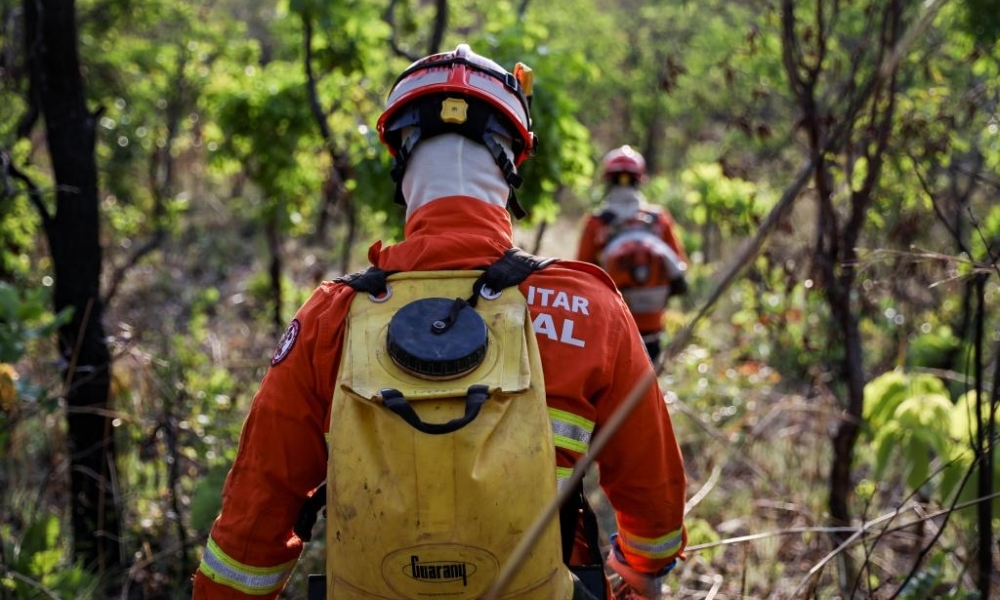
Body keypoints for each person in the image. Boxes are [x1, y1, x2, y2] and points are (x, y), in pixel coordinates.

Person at [191, 45, 687, 600]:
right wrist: (639, 572)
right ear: (513, 163)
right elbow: (655, 512)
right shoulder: (587, 306)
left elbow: (251, 525)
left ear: (400, 159)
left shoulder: (330, 317)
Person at [577, 146, 689, 363]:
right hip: (653, 324)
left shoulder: (596, 222)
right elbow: (680, 266)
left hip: (612, 323)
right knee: (649, 384)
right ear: (640, 179)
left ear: (608, 179)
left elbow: (583, 274)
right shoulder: (659, 219)